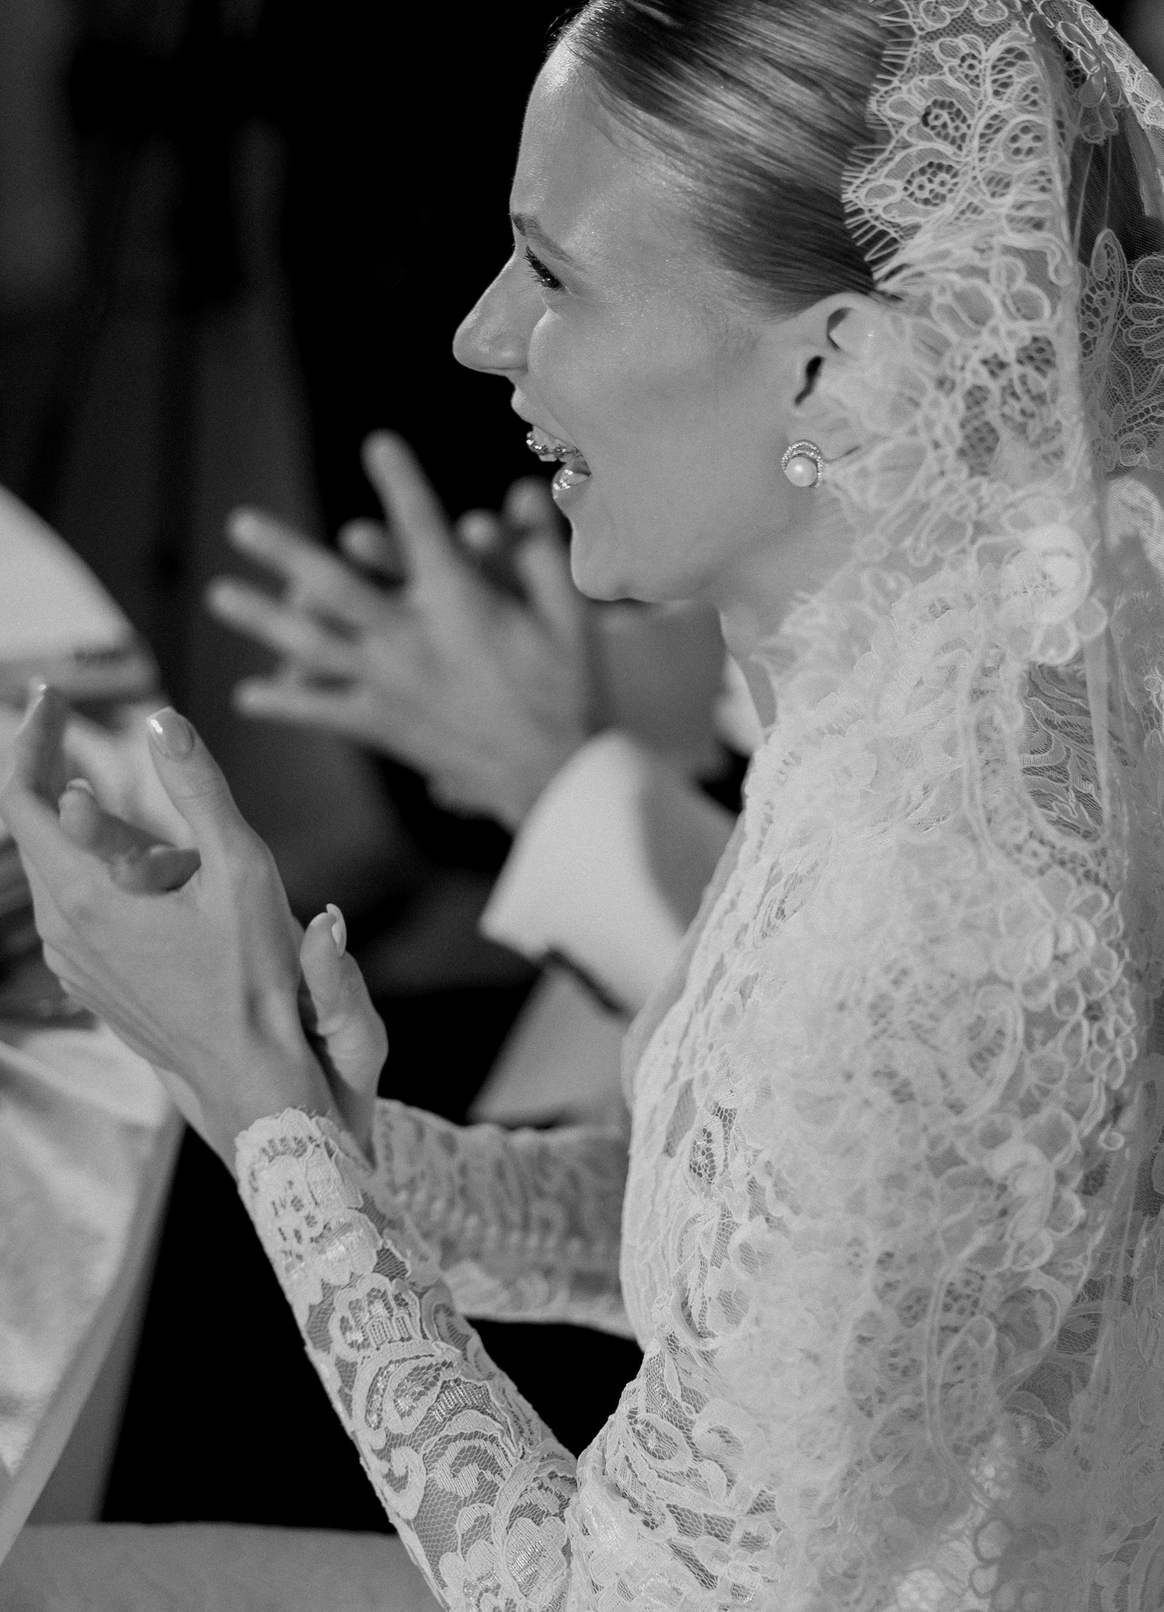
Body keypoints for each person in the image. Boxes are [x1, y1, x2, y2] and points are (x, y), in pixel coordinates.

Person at [3, 4, 1164, 1610]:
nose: (480, 334)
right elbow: (745, 1247)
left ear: (833, 364)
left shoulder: (928, 919)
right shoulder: (902, 698)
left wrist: (259, 1101)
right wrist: (325, 1122)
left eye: (552, 276)